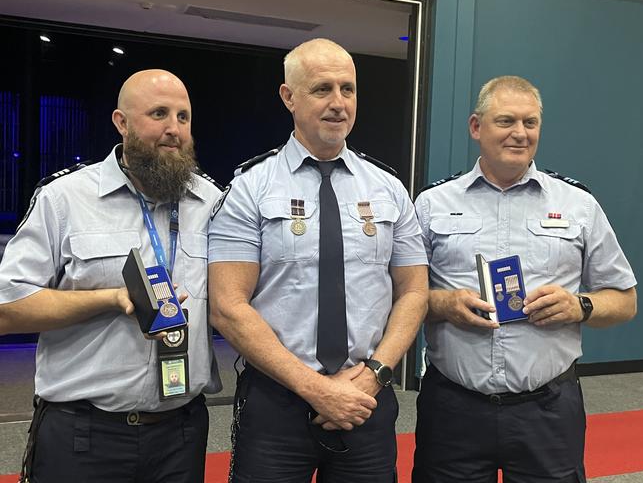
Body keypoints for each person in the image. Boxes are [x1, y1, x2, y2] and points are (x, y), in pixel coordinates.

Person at [208, 38, 429, 483]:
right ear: (289, 97)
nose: (338, 103)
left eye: (347, 89)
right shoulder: (250, 189)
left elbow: (414, 292)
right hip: (277, 403)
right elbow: (228, 306)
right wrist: (316, 388)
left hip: (366, 395)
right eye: (322, 89)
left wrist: (375, 375)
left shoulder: (388, 189)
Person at [0, 69, 222, 483]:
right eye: (159, 114)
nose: (174, 129)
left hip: (182, 432)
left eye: (183, 117)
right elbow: (7, 307)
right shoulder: (64, 198)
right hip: (83, 435)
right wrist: (111, 298)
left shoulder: (212, 202)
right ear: (121, 122)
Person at [413, 75, 637, 483]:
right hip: (454, 409)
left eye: (530, 123)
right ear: (476, 127)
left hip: (548, 410)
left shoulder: (578, 205)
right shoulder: (431, 204)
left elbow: (624, 300)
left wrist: (580, 305)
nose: (520, 133)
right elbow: (398, 296)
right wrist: (443, 303)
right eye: (506, 121)